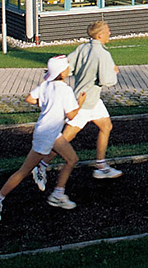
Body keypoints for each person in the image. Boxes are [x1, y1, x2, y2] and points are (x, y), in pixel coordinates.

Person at [0, 55, 80, 223]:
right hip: (46, 135)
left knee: (72, 159)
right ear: (62, 72)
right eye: (67, 67)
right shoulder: (66, 90)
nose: (68, 69)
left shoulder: (45, 85)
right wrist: (81, 102)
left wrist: (46, 105)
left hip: (49, 131)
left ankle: (58, 193)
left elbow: (29, 98)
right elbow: (71, 115)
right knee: (24, 171)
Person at [32, 20, 122, 187]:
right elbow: (108, 80)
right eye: (108, 31)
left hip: (92, 100)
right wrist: (113, 71)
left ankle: (101, 165)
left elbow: (68, 67)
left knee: (106, 126)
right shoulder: (103, 55)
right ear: (100, 35)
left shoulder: (82, 48)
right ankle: (41, 165)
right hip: (84, 103)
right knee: (66, 138)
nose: (110, 33)